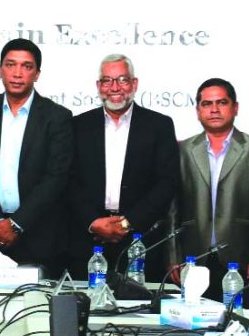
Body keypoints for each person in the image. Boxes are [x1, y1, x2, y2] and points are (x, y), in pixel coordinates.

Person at [0, 38, 73, 277]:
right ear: (0, 70)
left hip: (39, 235)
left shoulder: (57, 117)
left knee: (39, 309)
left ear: (37, 74)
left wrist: (16, 224)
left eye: (26, 66)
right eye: (10, 65)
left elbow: (56, 177)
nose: (17, 73)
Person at [69, 54, 178, 282]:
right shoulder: (78, 125)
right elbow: (68, 181)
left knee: (138, 311)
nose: (115, 87)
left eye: (122, 80)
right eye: (107, 81)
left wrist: (128, 223)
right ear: (98, 86)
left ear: (134, 84)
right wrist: (94, 222)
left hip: (140, 239)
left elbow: (167, 183)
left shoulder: (159, 125)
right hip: (88, 239)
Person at [168, 78, 249, 303]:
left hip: (241, 259)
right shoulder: (183, 150)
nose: (214, 109)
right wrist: (173, 255)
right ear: (197, 110)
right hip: (193, 257)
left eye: (222, 102)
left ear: (235, 108)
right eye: (207, 104)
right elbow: (172, 208)